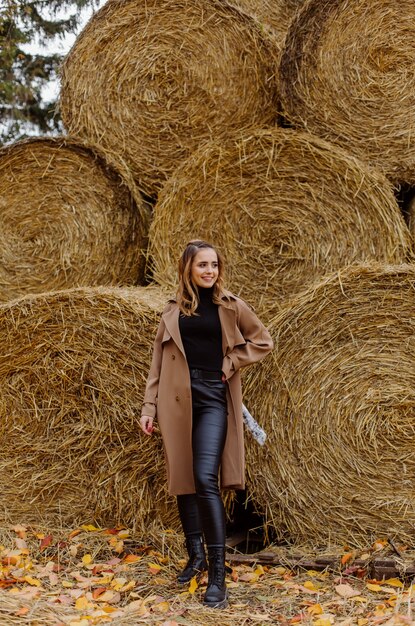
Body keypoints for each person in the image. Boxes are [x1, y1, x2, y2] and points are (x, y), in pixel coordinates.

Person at [140, 239, 273, 609]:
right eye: (202, 265)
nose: (210, 271)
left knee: (204, 477)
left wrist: (229, 366)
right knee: (184, 479)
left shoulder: (230, 305)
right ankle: (194, 556)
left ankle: (217, 573)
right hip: (176, 401)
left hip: (214, 398)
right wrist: (149, 407)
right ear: (188, 269)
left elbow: (262, 341)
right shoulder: (172, 312)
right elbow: (157, 365)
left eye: (214, 265)